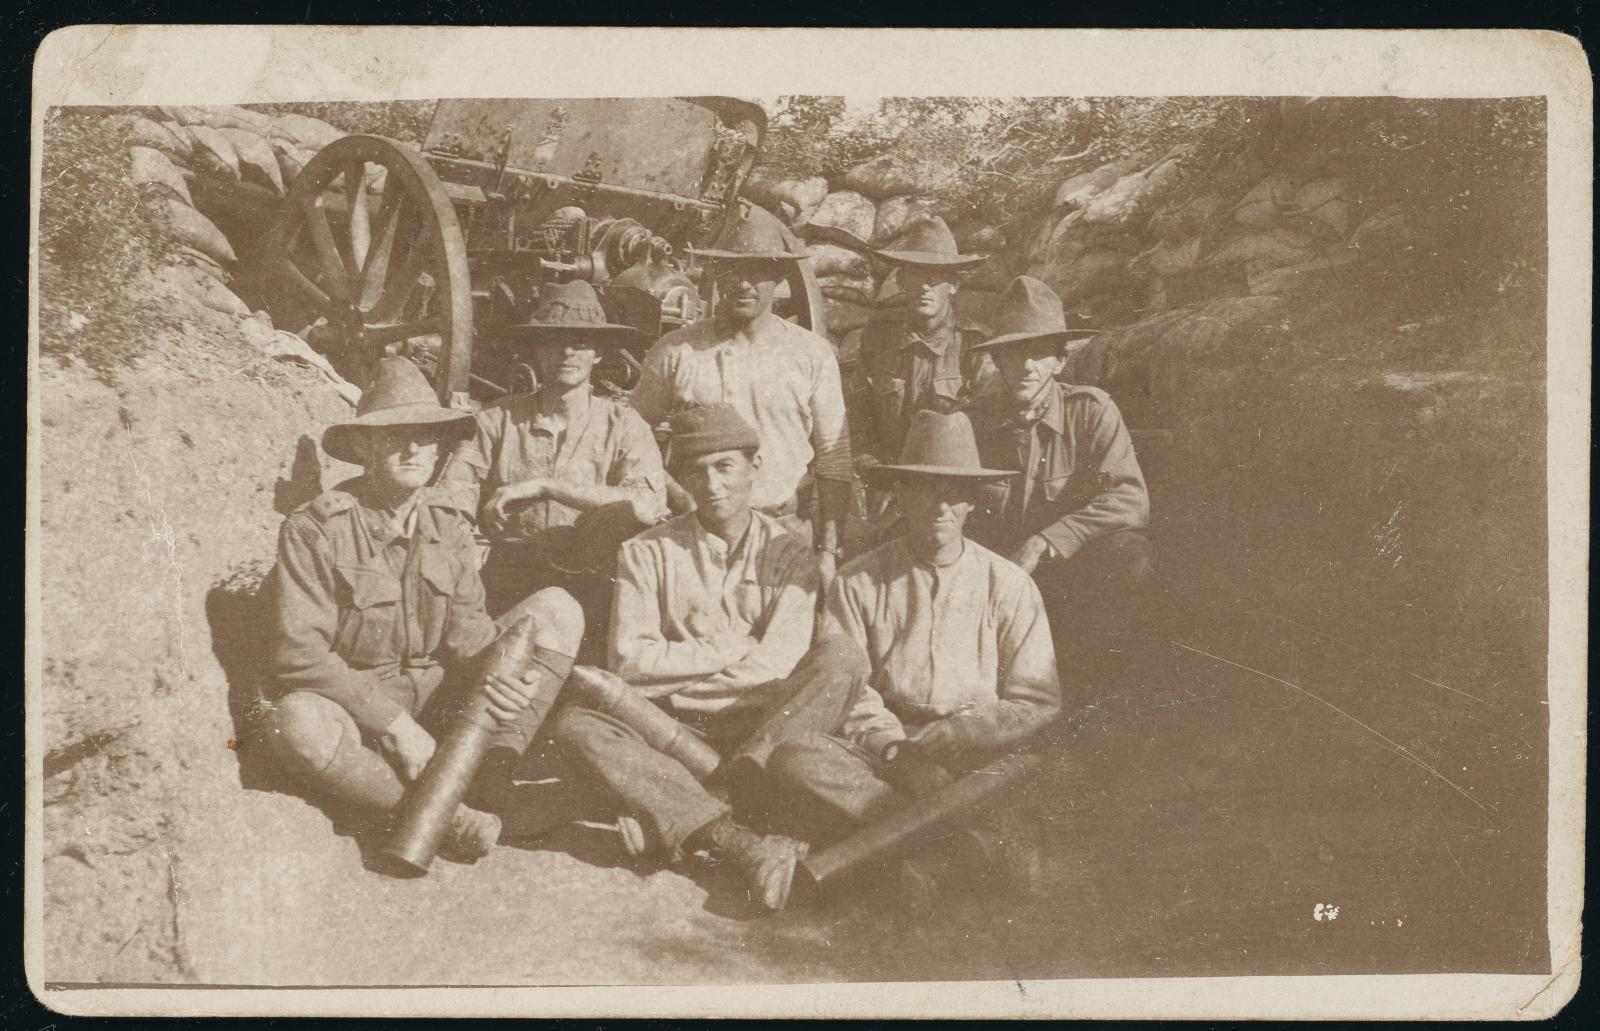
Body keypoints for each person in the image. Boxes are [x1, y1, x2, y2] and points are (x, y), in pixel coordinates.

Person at [551, 404, 872, 911]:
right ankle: (742, 842)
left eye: (726, 467)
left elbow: (779, 667)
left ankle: (698, 806)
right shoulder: (644, 552)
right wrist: (729, 648)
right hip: (674, 727)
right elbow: (630, 662)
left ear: (754, 469)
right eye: (697, 471)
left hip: (765, 727)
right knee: (576, 726)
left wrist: (674, 677)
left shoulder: (790, 553)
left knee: (842, 657)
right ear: (681, 480)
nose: (713, 484)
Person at [265, 357, 586, 859]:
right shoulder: (316, 529)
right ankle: (445, 816)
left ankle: (489, 778)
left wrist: (508, 674)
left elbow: (469, 637)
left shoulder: (447, 523)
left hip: (440, 701)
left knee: (557, 608)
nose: (414, 448)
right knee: (295, 722)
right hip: (361, 708)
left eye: (426, 435)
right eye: (395, 436)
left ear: (440, 447)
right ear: (365, 448)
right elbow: (297, 655)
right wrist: (392, 723)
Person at [765, 409, 1062, 845]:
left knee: (1034, 773)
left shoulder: (1009, 584)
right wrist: (895, 748)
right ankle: (953, 837)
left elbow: (1037, 701)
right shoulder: (858, 580)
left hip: (975, 749)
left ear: (972, 501)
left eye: (955, 491)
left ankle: (911, 841)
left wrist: (969, 730)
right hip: (888, 746)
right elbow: (848, 690)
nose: (941, 505)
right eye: (925, 488)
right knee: (794, 758)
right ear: (900, 496)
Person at [630, 201, 854, 589]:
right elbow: (632, 436)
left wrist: (827, 550)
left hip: (782, 532)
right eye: (733, 269)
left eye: (758, 271)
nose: (744, 283)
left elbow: (834, 457)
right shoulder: (677, 350)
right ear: (715, 272)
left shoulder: (810, 353)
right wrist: (676, 493)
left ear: (780, 275)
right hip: (694, 535)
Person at [438, 279, 667, 649]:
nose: (567, 353)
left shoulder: (624, 426)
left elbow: (646, 505)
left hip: (595, 583)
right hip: (508, 576)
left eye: (580, 342)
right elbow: (451, 502)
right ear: (537, 350)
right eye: (554, 340)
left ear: (598, 353)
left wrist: (548, 487)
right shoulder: (497, 420)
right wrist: (463, 561)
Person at [966, 276, 1156, 699]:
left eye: (1038, 353)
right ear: (997, 361)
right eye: (1014, 353)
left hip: (1069, 570)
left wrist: (1043, 542)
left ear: (1059, 360)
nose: (1026, 366)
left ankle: (1107, 695)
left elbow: (1129, 498)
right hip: (997, 575)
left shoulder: (1090, 411)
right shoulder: (973, 422)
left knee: (1131, 557)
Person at [851, 216, 996, 468]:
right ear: (901, 281)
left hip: (950, 479)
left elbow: (988, 423)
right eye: (917, 275)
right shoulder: (877, 339)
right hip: (887, 478)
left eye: (935, 277)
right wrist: (873, 469)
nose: (925, 287)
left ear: (954, 285)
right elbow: (858, 419)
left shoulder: (974, 345)